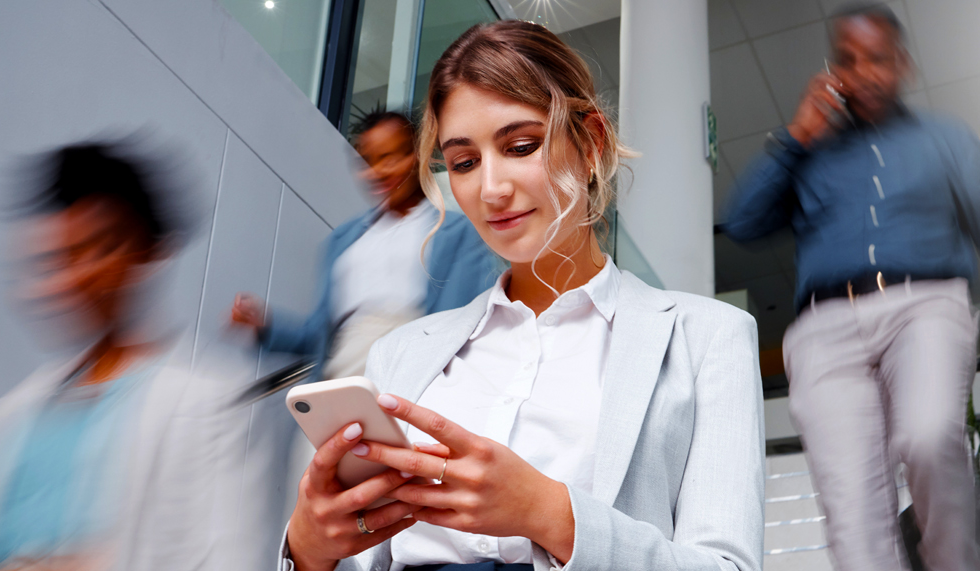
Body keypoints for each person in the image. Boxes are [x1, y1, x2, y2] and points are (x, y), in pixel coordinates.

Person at [280, 20, 765, 571]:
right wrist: (308, 553)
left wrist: (550, 514)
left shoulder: (707, 338)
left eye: (521, 146)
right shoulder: (403, 351)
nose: (490, 189)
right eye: (463, 162)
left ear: (591, 145)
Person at [723, 4, 980, 571]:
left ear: (902, 63)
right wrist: (796, 137)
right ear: (834, 70)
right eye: (849, 62)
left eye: (878, 59)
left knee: (929, 437)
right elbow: (742, 222)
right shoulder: (811, 151)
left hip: (924, 306)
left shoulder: (946, 137)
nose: (865, 74)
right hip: (824, 331)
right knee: (854, 520)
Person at [0, 143, 240, 571]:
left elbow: (235, 556)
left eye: (100, 247)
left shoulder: (211, 406)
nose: (79, 274)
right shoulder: (6, 419)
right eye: (63, 256)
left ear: (149, 251)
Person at [231, 108, 497, 380]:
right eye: (367, 162)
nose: (377, 172)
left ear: (417, 156)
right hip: (339, 383)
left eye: (390, 157)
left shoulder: (455, 232)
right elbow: (319, 336)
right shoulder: (343, 241)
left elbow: (461, 325)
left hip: (407, 383)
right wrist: (265, 327)